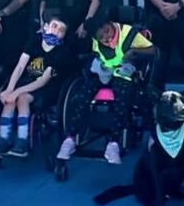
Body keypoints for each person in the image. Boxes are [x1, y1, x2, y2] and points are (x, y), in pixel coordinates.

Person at [56, 14, 155, 165]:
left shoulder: (129, 33)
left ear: (110, 24)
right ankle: (70, 138)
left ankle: (113, 142)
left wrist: (134, 52)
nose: (106, 38)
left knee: (121, 96)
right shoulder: (96, 41)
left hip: (124, 73)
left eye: (107, 32)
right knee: (83, 93)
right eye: (101, 37)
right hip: (104, 73)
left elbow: (152, 50)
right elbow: (97, 56)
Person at [0, 17, 69, 159]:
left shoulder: (61, 50)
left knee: (22, 98)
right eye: (54, 26)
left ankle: (22, 141)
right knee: (9, 100)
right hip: (27, 80)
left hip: (48, 85)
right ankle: (3, 139)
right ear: (46, 27)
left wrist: (17, 91)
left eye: (60, 30)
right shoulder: (34, 41)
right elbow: (20, 66)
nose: (56, 31)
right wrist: (9, 90)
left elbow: (43, 81)